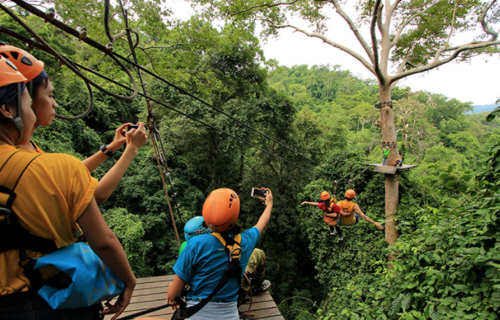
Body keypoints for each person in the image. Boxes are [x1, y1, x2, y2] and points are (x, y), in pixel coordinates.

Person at [0, 56, 135, 319]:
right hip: (48, 295)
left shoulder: (41, 161)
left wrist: (112, 148)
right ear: (8, 109)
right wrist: (127, 280)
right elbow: (101, 233)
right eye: (30, 101)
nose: (55, 103)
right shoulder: (55, 166)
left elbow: (66, 179)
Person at [0, 43, 147, 204]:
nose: (55, 104)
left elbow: (67, 175)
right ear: (23, 99)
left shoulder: (25, 146)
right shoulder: (22, 161)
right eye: (49, 96)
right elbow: (96, 195)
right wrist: (131, 149)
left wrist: (111, 148)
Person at [167, 187, 273, 319]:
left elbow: (173, 294)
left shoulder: (195, 244)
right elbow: (261, 224)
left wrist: (173, 292)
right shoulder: (245, 242)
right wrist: (269, 205)